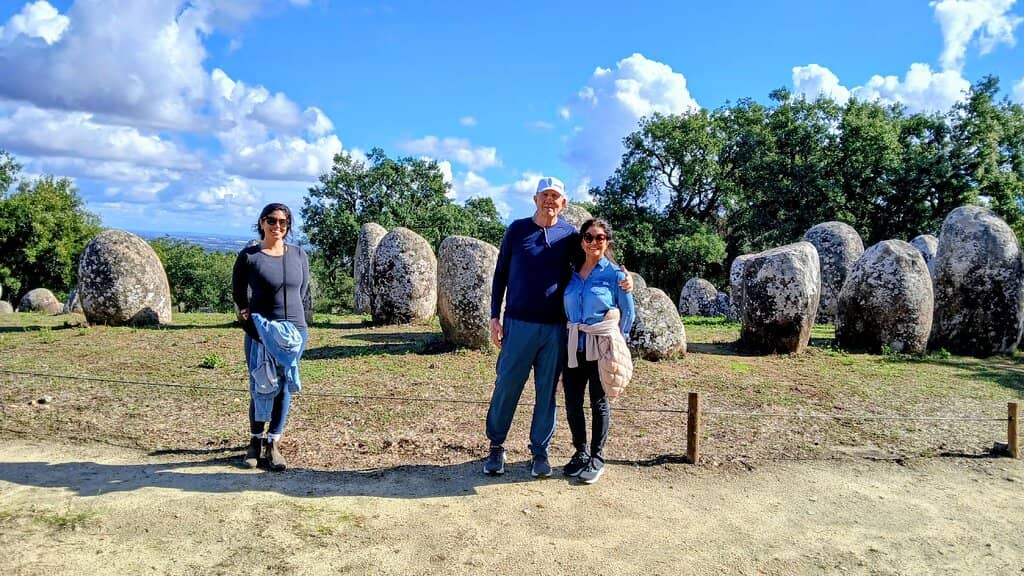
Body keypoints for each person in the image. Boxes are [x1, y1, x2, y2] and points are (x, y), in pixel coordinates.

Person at [484, 177, 632, 477]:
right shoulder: (517, 230)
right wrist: (494, 317)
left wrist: (626, 279)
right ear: (535, 199)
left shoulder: (569, 236)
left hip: (556, 329)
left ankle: (540, 452)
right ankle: (496, 448)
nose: (550, 201)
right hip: (518, 323)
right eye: (545, 195)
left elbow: (595, 265)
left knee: (546, 393)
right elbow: (500, 275)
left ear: (564, 203)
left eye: (556, 197)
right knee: (506, 388)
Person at [232, 203, 311, 471]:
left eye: (283, 222)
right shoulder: (250, 256)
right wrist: (247, 315)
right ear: (262, 223)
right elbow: (238, 292)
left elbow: (302, 291)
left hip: (294, 332)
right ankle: (255, 442)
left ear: (288, 226)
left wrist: (290, 324)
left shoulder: (299, 255)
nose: (278, 226)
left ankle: (273, 443)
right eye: (272, 221)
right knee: (261, 384)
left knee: (285, 385)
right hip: (261, 332)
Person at [562, 219, 634, 484]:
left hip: (601, 346)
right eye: (589, 237)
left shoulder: (615, 275)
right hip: (573, 345)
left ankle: (597, 456)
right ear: (582, 241)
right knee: (572, 402)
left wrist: (616, 341)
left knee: (599, 402)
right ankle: (580, 452)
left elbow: (629, 313)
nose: (594, 242)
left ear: (607, 242)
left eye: (600, 238)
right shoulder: (570, 272)